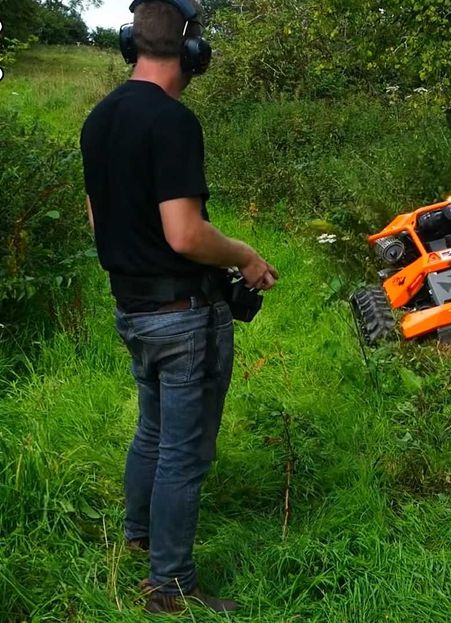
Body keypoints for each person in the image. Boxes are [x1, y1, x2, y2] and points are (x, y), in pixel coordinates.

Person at [79, 0, 277, 614]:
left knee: (152, 431)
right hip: (182, 315)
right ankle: (170, 587)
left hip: (132, 310)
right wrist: (243, 254)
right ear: (191, 51)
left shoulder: (99, 117)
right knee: (183, 455)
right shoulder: (172, 122)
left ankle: (139, 539)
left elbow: (98, 218)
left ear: (129, 44)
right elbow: (186, 234)